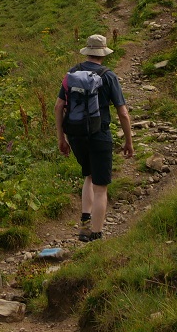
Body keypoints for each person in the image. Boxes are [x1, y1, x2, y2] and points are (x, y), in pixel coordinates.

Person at [55, 33, 134, 241]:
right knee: (101, 187)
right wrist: (128, 141)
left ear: (87, 52)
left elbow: (58, 106)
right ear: (103, 54)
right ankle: (96, 236)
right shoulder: (108, 76)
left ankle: (84, 224)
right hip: (99, 135)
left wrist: (61, 137)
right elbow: (123, 113)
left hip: (76, 135)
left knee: (89, 176)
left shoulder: (71, 73)